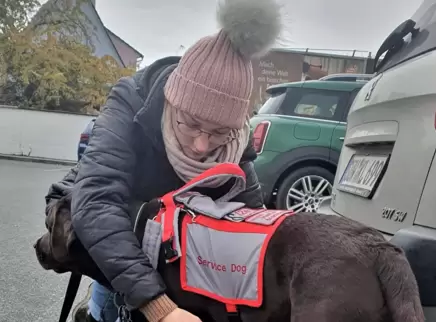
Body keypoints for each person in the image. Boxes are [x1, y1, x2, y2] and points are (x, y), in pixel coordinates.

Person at [44, 0, 282, 321]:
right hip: (108, 223)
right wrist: (159, 307)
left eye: (218, 133)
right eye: (192, 124)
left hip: (173, 243)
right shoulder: (131, 101)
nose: (201, 145)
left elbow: (250, 219)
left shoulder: (236, 140)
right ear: (173, 100)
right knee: (115, 297)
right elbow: (97, 202)